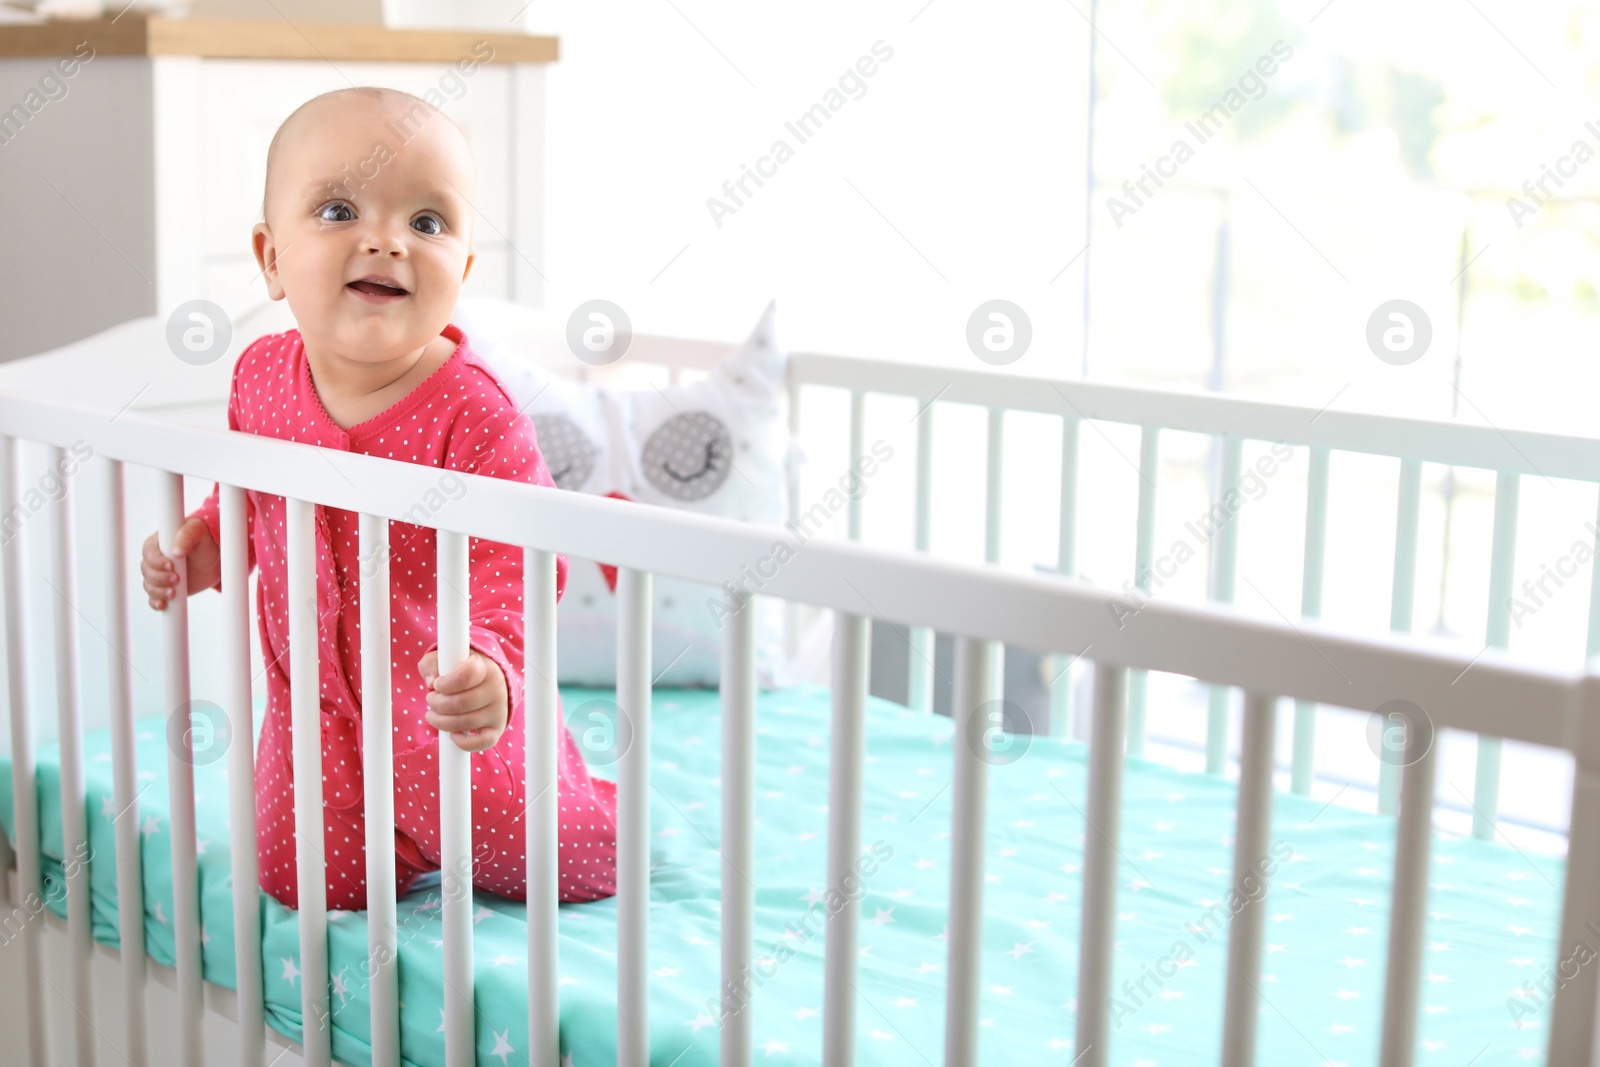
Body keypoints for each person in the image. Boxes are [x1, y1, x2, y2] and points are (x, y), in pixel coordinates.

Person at [139, 87, 617, 911]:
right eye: (336, 208)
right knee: (297, 879)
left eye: (428, 223)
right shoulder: (258, 379)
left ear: (461, 270)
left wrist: (495, 668)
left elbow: (526, 566)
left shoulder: (476, 416)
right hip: (317, 741)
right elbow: (250, 503)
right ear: (271, 258)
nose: (386, 240)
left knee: (570, 866)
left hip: (454, 731)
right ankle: (376, 844)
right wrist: (203, 545)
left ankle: (592, 801)